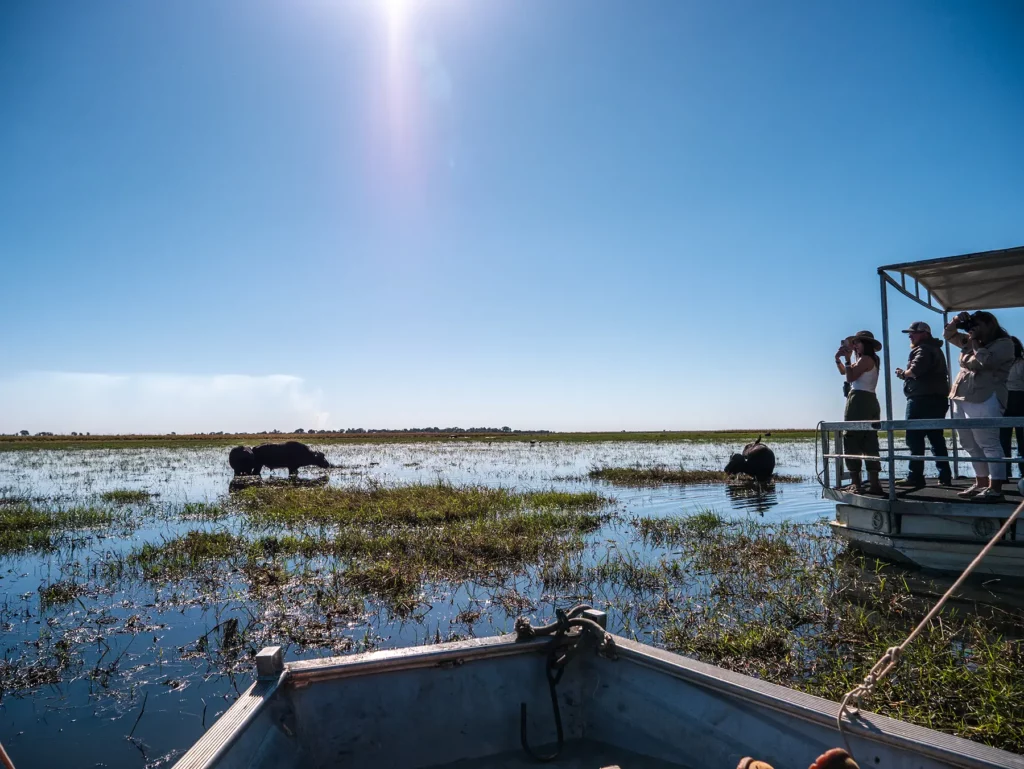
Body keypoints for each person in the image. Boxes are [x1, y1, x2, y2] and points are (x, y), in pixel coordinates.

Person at [944, 311, 1015, 502]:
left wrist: (975, 341)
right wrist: (957, 321)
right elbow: (948, 335)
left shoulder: (1004, 344)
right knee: (968, 443)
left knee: (989, 443)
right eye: (972, 325)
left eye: (977, 325)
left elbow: (985, 361)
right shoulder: (969, 339)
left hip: (986, 396)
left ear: (989, 325)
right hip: (961, 396)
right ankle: (981, 482)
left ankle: (996, 487)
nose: (972, 329)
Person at [894, 321, 951, 488]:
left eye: (914, 333)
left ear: (925, 333)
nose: (910, 336)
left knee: (914, 438)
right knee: (936, 438)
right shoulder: (934, 349)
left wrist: (904, 374)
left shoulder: (924, 349)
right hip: (936, 399)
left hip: (922, 400)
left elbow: (916, 369)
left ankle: (915, 476)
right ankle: (945, 475)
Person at [835, 330, 883, 495]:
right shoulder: (871, 360)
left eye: (857, 343)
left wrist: (847, 360)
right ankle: (874, 483)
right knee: (870, 439)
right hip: (869, 400)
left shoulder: (865, 359)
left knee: (852, 438)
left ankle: (857, 483)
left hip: (859, 401)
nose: (854, 346)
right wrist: (839, 360)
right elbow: (845, 372)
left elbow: (849, 377)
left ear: (865, 344)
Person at [999, 336, 1024, 480]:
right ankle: (1005, 472)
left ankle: (1012, 473)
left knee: (1020, 440)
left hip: (1018, 399)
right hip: (1006, 399)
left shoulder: (1020, 363)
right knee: (1004, 440)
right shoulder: (1003, 364)